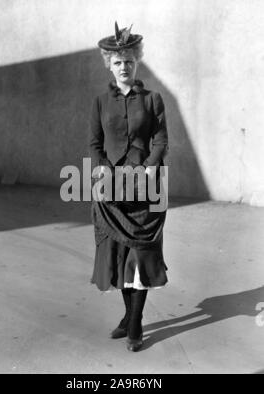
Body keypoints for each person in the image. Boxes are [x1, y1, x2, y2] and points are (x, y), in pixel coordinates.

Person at [89, 22, 169, 352]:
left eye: (130, 61)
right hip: (111, 190)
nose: (124, 67)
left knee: (140, 253)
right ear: (109, 64)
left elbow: (161, 139)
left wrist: (150, 169)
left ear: (137, 62)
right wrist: (103, 171)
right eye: (118, 62)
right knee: (119, 256)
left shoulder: (153, 100)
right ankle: (127, 315)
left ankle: (135, 325)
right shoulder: (99, 101)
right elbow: (94, 144)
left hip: (145, 189)